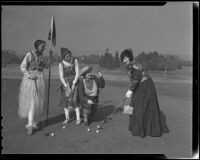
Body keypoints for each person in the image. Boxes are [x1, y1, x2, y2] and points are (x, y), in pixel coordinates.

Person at [120, 49, 169, 138]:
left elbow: (137, 77)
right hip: (139, 85)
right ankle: (134, 127)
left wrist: (131, 90)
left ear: (129, 57)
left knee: (142, 106)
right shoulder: (129, 66)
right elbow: (133, 79)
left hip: (146, 85)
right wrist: (131, 89)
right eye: (123, 58)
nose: (124, 59)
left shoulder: (135, 65)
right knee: (134, 104)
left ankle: (142, 129)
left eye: (126, 57)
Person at [18, 39, 54, 135]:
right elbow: (22, 66)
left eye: (44, 47)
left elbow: (47, 66)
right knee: (32, 103)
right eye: (42, 46)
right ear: (37, 46)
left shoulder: (42, 57)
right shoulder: (30, 54)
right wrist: (29, 75)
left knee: (37, 102)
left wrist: (51, 57)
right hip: (31, 80)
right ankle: (30, 125)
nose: (43, 48)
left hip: (40, 80)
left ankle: (32, 122)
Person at [58, 47, 81, 125]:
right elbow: (61, 76)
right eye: (67, 56)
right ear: (63, 57)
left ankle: (78, 119)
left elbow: (77, 73)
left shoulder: (75, 61)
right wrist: (66, 86)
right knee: (66, 102)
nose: (69, 57)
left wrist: (74, 83)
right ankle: (67, 118)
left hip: (74, 82)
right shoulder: (61, 64)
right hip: (66, 83)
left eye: (69, 55)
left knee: (75, 100)